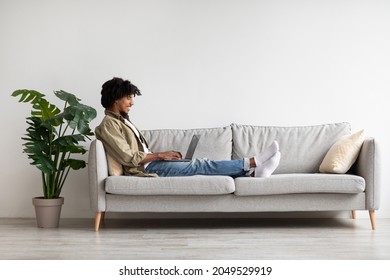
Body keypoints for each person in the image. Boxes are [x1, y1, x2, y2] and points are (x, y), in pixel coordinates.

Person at [95, 77, 281, 178]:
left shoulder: (123, 120)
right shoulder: (108, 125)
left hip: (153, 163)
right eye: (129, 97)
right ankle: (253, 163)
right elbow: (128, 157)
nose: (132, 102)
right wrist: (160, 155)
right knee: (201, 165)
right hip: (147, 169)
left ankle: (254, 174)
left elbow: (139, 151)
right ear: (115, 99)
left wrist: (162, 154)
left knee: (201, 164)